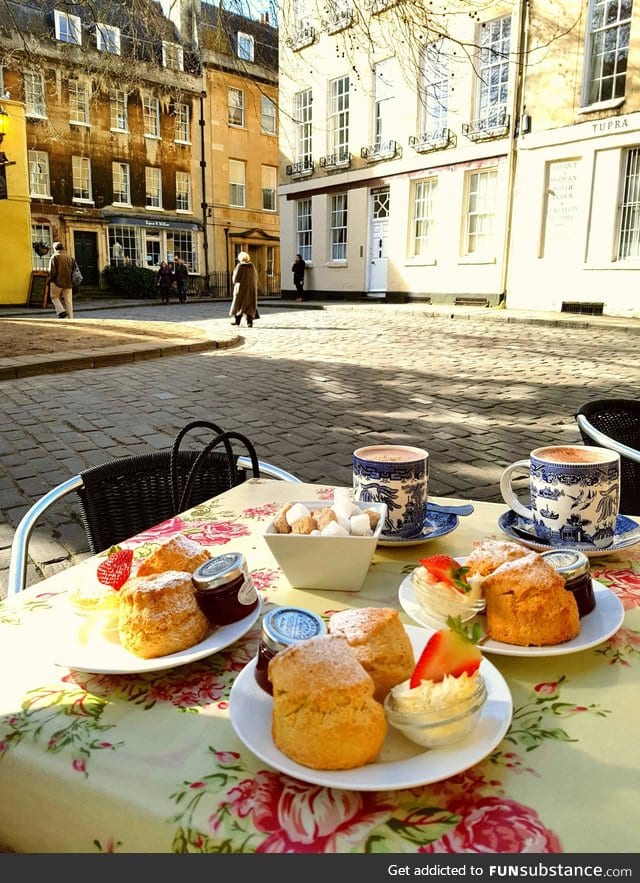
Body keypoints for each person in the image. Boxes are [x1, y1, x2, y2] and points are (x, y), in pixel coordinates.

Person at [229, 251, 259, 327]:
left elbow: (235, 279)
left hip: (241, 289)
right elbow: (256, 277)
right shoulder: (252, 266)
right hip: (251, 288)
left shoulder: (239, 266)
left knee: (238, 304)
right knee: (249, 305)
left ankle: (237, 321)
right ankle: (249, 323)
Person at [47, 241, 75, 318]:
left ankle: (61, 311)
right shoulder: (69, 257)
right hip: (68, 282)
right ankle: (70, 317)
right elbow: (73, 269)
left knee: (54, 297)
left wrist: (49, 280)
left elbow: (51, 271)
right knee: (68, 301)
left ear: (55, 248)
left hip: (57, 281)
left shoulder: (54, 257)